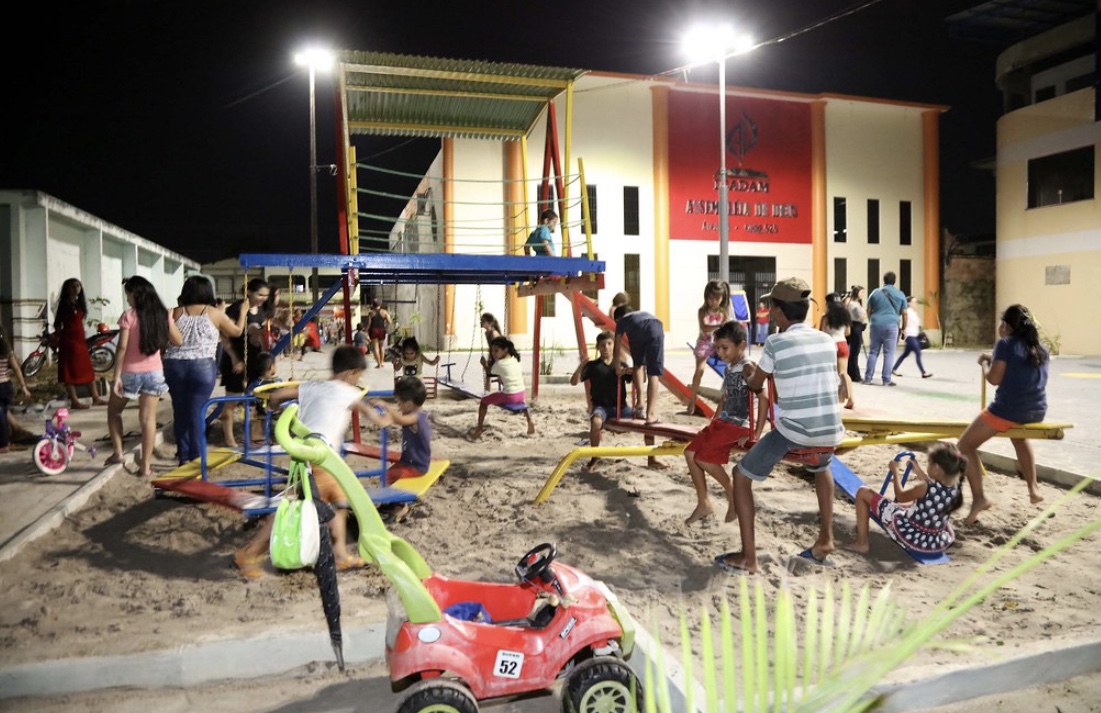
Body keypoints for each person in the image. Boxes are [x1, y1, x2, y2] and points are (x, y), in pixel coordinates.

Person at [714, 278, 844, 574]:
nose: (769, 312)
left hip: (796, 431)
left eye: (771, 306)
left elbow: (757, 383)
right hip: (831, 430)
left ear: (780, 311)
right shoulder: (825, 339)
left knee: (741, 475)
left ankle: (749, 557)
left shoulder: (775, 342)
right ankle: (825, 541)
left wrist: (748, 375)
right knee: (822, 467)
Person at [234, 346, 388, 578]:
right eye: (359, 376)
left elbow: (276, 396)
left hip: (308, 455)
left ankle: (339, 555)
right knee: (299, 506)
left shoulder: (312, 386)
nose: (358, 381)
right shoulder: (348, 392)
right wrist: (385, 414)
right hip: (322, 458)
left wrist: (276, 411)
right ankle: (249, 552)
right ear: (351, 373)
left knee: (339, 502)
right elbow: (376, 418)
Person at [956, 304, 1049, 524]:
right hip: (1036, 411)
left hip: (1008, 410)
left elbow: (994, 379)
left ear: (1005, 326)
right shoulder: (1040, 348)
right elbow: (1019, 366)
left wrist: (986, 364)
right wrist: (993, 356)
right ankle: (1033, 488)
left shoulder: (1005, 344)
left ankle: (979, 498)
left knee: (964, 446)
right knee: (1019, 437)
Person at [684, 321, 768, 525]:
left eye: (724, 348)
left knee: (704, 459)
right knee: (690, 452)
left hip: (739, 424)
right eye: (718, 348)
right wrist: (714, 422)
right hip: (724, 422)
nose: (720, 353)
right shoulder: (731, 368)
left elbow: (764, 397)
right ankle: (704, 503)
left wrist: (755, 433)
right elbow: (724, 398)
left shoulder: (747, 367)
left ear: (740, 345)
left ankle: (732, 494)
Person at [163, 275, 247, 466]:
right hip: (202, 367)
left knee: (180, 411)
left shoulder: (175, 312)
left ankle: (184, 456)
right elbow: (236, 332)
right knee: (196, 412)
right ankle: (197, 457)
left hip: (174, 365)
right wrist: (243, 312)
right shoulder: (213, 313)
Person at [107, 276, 183, 478]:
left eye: (128, 295)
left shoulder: (128, 316)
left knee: (114, 412)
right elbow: (178, 341)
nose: (127, 299)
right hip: (154, 373)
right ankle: (146, 466)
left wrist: (116, 377)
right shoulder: (161, 315)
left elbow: (122, 347)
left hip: (130, 373)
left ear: (136, 294)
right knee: (148, 420)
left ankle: (118, 453)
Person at [845, 444, 966, 556]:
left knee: (862, 492)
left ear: (936, 468)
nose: (927, 465)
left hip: (912, 536)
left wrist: (895, 473)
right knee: (911, 505)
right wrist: (918, 471)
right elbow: (935, 489)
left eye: (928, 462)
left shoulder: (924, 487)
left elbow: (901, 496)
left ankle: (862, 543)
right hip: (934, 540)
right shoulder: (956, 487)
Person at [571, 330, 663, 472]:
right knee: (595, 421)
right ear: (598, 347)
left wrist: (638, 368)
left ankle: (652, 458)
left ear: (614, 346)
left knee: (647, 422)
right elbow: (573, 382)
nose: (606, 347)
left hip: (621, 408)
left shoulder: (620, 365)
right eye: (602, 345)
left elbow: (641, 380)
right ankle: (594, 458)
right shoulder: (592, 366)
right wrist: (581, 365)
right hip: (601, 407)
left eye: (609, 344)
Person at [220, 278, 270, 447]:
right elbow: (225, 335)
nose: (263, 298)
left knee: (256, 400)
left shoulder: (261, 310)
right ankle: (229, 439)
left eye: (266, 295)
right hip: (237, 361)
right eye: (260, 294)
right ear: (249, 292)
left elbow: (259, 336)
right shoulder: (237, 308)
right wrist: (234, 358)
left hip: (254, 361)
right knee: (232, 401)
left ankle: (254, 435)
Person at [53, 278, 108, 409]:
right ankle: (74, 401)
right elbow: (57, 324)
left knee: (86, 368)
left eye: (78, 285)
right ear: (67, 288)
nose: (76, 288)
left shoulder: (80, 303)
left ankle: (96, 398)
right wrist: (60, 336)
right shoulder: (64, 304)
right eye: (73, 286)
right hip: (68, 340)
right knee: (69, 371)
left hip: (80, 340)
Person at [467, 336, 534, 439]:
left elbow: (489, 372)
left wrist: (484, 364)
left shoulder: (499, 364)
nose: (493, 353)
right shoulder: (514, 359)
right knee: (521, 402)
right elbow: (510, 376)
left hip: (510, 396)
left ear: (505, 350)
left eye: (496, 351)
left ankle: (479, 429)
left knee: (484, 401)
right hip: (521, 394)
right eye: (492, 351)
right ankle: (529, 421)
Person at [374, 376, 431, 486]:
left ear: (409, 404)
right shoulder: (412, 413)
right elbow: (397, 418)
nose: (398, 407)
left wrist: (385, 406)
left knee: (387, 478)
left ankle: (398, 502)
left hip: (417, 467)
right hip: (407, 461)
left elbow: (400, 420)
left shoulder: (416, 418)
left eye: (399, 404)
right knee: (385, 475)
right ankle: (396, 500)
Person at [612, 305, 665, 425]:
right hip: (657, 325)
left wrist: (617, 367)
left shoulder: (622, 321)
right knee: (654, 373)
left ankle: (640, 402)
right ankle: (650, 415)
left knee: (638, 365)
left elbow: (617, 346)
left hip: (639, 328)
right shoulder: (640, 313)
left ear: (617, 319)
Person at [688, 281, 733, 416]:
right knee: (700, 370)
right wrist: (721, 326)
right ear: (706, 297)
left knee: (730, 369)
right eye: (710, 298)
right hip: (705, 342)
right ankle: (692, 400)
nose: (713, 301)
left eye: (717, 298)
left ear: (722, 298)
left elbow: (727, 328)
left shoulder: (723, 311)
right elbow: (705, 327)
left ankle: (727, 400)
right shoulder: (703, 311)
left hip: (718, 343)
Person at [863, 272, 907, 386]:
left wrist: (871, 320)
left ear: (884, 280)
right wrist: (903, 329)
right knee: (889, 353)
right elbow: (904, 313)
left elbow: (868, 310)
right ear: (894, 281)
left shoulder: (875, 292)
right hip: (892, 325)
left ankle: (868, 378)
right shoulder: (900, 294)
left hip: (876, 324)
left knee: (873, 352)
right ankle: (886, 380)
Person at [818, 292, 853, 409]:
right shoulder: (845, 315)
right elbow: (848, 332)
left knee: (829, 374)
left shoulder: (825, 316)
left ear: (828, 303)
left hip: (829, 346)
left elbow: (821, 333)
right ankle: (851, 399)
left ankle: (830, 400)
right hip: (842, 344)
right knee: (843, 373)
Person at [0, 331, 32, 454]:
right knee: (4, 412)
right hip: (7, 386)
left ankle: (4, 444)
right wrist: (23, 386)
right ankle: (13, 435)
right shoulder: (6, 350)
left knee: (1, 416)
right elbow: (17, 368)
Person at [892, 296, 933, 379]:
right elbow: (901, 323)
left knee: (905, 354)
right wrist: (902, 332)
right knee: (918, 352)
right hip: (909, 336)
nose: (916, 304)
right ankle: (923, 372)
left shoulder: (914, 312)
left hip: (915, 335)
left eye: (916, 302)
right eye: (914, 302)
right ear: (909, 303)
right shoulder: (907, 312)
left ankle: (894, 369)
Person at [250, 352, 278, 446]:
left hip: (261, 411)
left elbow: (248, 395)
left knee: (262, 423)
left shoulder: (256, 383)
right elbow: (284, 392)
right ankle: (273, 439)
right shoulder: (277, 382)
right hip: (276, 410)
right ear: (271, 367)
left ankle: (264, 439)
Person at [843, 286, 866, 383]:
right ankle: (855, 374)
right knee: (855, 352)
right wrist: (866, 314)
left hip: (854, 326)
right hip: (856, 326)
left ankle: (851, 372)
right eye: (861, 292)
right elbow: (860, 316)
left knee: (853, 352)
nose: (863, 294)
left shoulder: (851, 303)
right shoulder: (854, 304)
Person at [479, 312, 503, 390]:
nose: (481, 322)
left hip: (501, 357)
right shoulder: (487, 333)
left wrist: (498, 364)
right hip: (494, 357)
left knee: (500, 377)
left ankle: (511, 391)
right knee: (487, 372)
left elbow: (499, 350)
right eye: (481, 320)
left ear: (490, 323)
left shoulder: (494, 333)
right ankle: (487, 392)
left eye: (483, 321)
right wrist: (488, 361)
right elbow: (491, 349)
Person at [366, 299, 392, 368]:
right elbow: (389, 321)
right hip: (381, 330)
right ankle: (382, 362)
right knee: (382, 346)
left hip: (373, 330)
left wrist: (366, 330)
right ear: (380, 304)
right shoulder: (384, 312)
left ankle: (379, 364)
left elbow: (369, 324)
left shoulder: (371, 313)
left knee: (376, 347)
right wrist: (385, 326)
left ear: (373, 305)